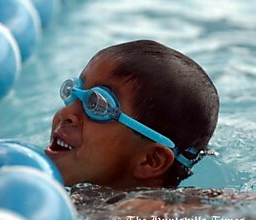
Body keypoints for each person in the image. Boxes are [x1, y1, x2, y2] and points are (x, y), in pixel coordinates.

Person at [45, 40, 219, 189]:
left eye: (98, 105)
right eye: (75, 91)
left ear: (150, 160)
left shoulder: (146, 215)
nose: (66, 113)